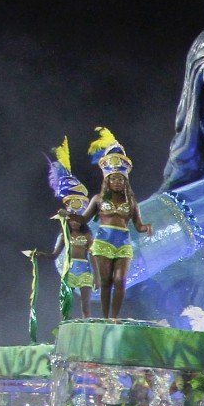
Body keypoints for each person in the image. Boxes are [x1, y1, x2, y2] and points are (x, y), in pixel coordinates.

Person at [86, 128, 150, 321]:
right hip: (103, 242)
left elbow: (138, 225)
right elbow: (84, 219)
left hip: (123, 243)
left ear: (125, 181)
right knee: (106, 282)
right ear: (107, 180)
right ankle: (106, 318)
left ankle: (114, 317)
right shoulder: (98, 199)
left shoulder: (131, 202)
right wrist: (69, 217)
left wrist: (146, 228)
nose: (117, 182)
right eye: (113, 178)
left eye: (120, 179)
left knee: (120, 280)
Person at [41, 137, 97, 322]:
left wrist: (97, 277)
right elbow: (55, 254)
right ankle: (65, 323)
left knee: (86, 304)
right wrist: (38, 255)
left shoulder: (89, 233)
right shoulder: (65, 234)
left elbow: (94, 256)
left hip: (86, 269)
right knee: (67, 300)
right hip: (70, 269)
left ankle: (86, 322)